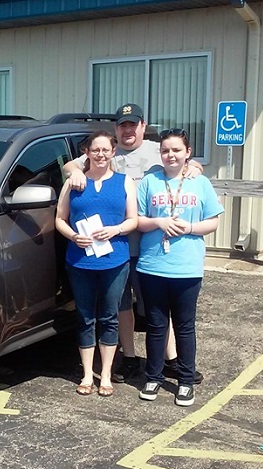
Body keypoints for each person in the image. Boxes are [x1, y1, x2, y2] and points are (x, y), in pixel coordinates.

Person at [63, 103, 204, 384]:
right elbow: (71, 164)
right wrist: (73, 172)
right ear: (116, 131)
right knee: (121, 306)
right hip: (114, 249)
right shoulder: (104, 152)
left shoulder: (155, 150)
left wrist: (195, 167)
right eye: (123, 125)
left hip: (150, 246)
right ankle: (128, 357)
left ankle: (171, 359)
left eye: (133, 124)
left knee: (157, 309)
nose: (128, 130)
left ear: (143, 126)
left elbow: (184, 161)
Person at [136, 128, 223, 406]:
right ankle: (154, 376)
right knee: (156, 325)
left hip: (186, 267)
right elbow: (137, 219)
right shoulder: (150, 180)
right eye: (165, 150)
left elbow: (214, 221)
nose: (170, 155)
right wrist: (159, 222)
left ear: (187, 153)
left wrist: (191, 227)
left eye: (176, 150)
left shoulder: (200, 183)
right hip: (152, 266)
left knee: (185, 326)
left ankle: (185, 381)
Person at [56, 130, 138, 397]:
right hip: (80, 261)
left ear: (113, 152)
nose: (101, 155)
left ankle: (106, 375)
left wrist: (115, 230)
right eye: (96, 150)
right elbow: (60, 219)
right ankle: (87, 375)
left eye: (106, 150)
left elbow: (133, 220)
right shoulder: (74, 182)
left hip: (114, 261)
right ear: (87, 153)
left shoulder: (125, 182)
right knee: (85, 317)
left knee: (109, 317)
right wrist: (73, 236)